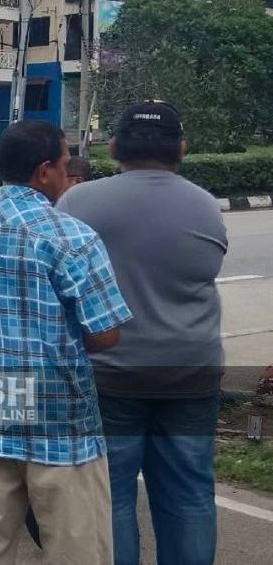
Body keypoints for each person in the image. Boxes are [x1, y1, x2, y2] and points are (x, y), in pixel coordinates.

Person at [0, 120, 132, 565]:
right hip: (59, 411)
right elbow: (106, 333)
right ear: (44, 172)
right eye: (63, 165)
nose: (65, 174)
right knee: (77, 545)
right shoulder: (72, 237)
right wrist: (52, 342)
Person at [57, 102, 228, 565]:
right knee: (190, 493)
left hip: (107, 375)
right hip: (191, 370)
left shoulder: (78, 202)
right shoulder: (205, 205)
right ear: (182, 149)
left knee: (109, 496)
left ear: (114, 146)